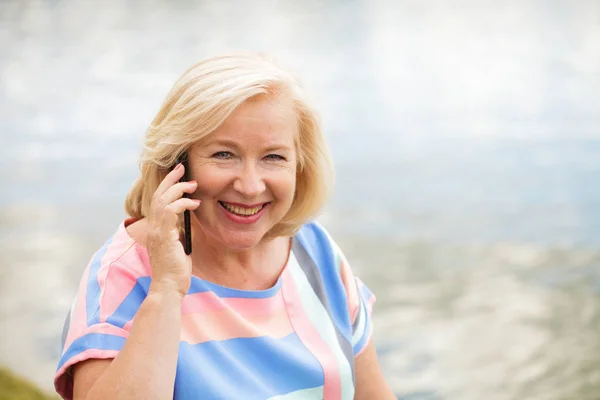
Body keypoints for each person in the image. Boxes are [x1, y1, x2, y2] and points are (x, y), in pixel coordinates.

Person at [54, 52, 395, 400]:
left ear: (299, 167)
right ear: (177, 164)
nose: (250, 186)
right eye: (223, 154)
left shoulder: (317, 253)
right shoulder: (122, 275)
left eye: (273, 157)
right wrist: (166, 290)